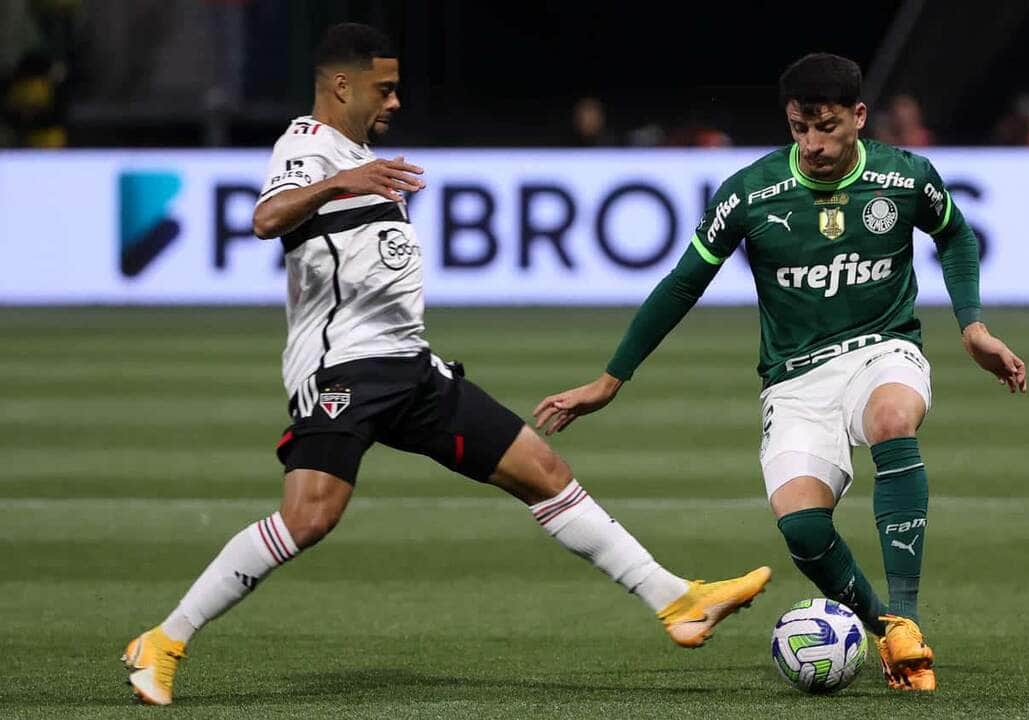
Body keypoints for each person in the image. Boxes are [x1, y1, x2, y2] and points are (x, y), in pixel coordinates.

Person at [119, 23, 769, 706]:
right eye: (385, 88)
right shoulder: (308, 146)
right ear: (342, 86)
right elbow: (265, 218)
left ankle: (677, 601)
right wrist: (341, 180)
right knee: (309, 517)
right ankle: (163, 640)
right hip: (345, 369)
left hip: (410, 368)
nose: (396, 101)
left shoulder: (358, 154)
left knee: (544, 473)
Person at [535, 53, 1028, 692]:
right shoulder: (750, 192)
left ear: (859, 116)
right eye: (800, 128)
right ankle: (885, 630)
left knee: (891, 419)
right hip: (794, 380)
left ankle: (908, 621)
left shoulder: (905, 178)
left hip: (884, 349)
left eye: (826, 126)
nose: (813, 144)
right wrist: (611, 379)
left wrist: (972, 326)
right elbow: (683, 283)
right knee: (801, 527)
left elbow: (956, 236)